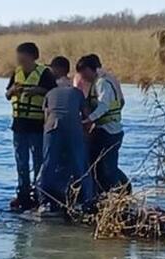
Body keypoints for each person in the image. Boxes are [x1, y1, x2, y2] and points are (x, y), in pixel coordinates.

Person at [36, 59, 94, 214]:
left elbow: (46, 117)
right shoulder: (77, 92)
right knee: (80, 164)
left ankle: (45, 202)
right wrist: (87, 134)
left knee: (48, 165)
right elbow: (87, 117)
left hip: (52, 128)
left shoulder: (50, 93)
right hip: (73, 128)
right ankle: (87, 202)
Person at [6, 42, 57, 211]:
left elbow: (54, 94)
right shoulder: (17, 72)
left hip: (37, 125)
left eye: (23, 58)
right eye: (18, 58)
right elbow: (7, 94)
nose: (20, 61)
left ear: (33, 57)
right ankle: (23, 195)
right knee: (21, 162)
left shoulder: (45, 73)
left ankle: (39, 195)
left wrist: (38, 91)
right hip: (19, 125)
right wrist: (12, 90)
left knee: (38, 162)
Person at [76, 55, 125, 193]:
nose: (83, 76)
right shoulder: (94, 84)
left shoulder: (102, 83)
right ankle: (101, 193)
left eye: (84, 72)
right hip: (101, 130)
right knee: (96, 164)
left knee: (108, 168)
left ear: (92, 70)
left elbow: (104, 106)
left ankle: (117, 196)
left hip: (110, 131)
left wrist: (89, 119)